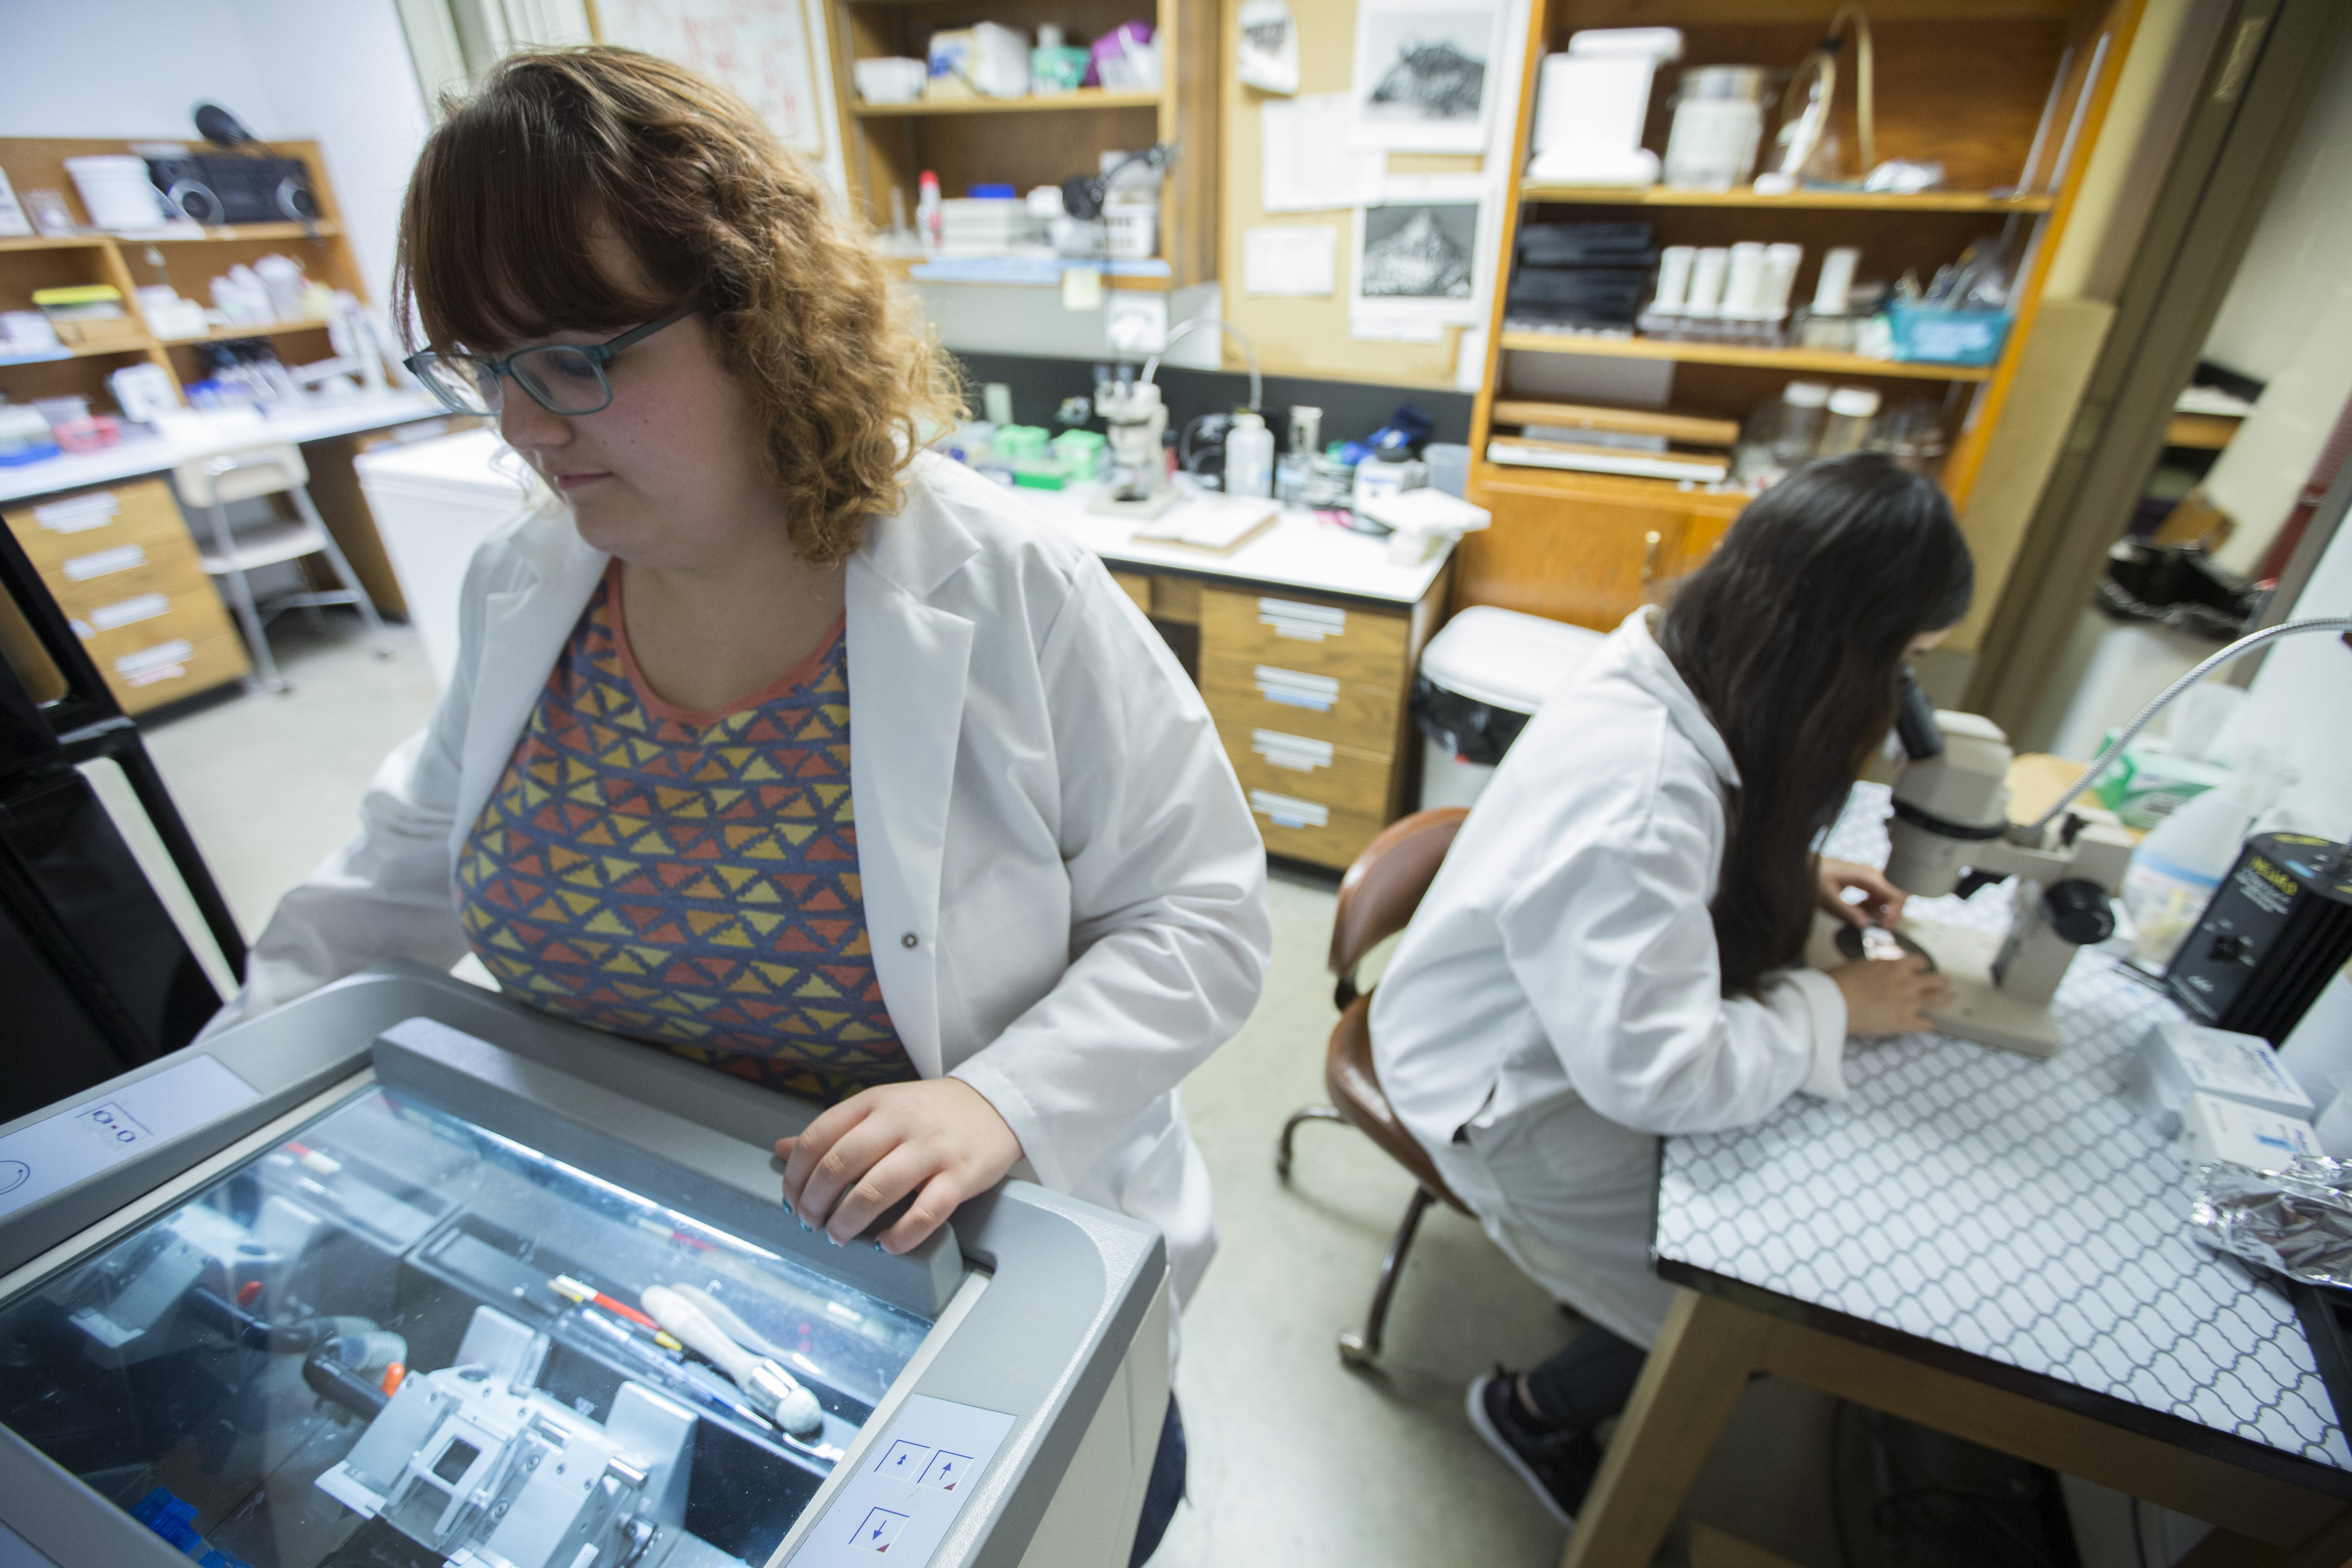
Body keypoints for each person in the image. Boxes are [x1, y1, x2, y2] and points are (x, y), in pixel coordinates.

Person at [201, 48, 1269, 1561]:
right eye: (482, 366)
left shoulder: (1002, 585)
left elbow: (1205, 912)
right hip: (642, 1268)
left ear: (757, 313)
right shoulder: (529, 582)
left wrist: (1000, 1099)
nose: (522, 424)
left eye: (573, 356)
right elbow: (370, 900)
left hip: (960, 1290)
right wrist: (202, 1137)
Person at [1367, 453, 1967, 1527]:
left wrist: (1794, 871)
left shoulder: (1681, 658)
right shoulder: (1641, 788)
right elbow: (1667, 1075)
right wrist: (1838, 1005)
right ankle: (1534, 1408)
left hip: (1519, 1021)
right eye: (1902, 667)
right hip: (1496, 1094)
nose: (1899, 703)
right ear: (1840, 653)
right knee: (1768, 1311)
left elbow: (1673, 854)